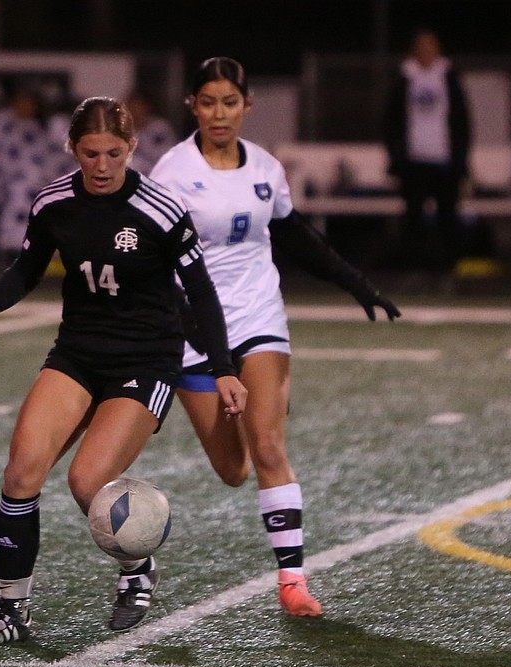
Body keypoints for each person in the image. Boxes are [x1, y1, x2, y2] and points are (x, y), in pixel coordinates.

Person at [0, 96, 248, 644]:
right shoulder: (54, 203)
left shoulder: (162, 210)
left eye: (115, 152)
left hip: (148, 359)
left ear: (132, 148)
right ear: (73, 150)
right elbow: (26, 270)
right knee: (20, 475)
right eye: (91, 153)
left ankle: (137, 566)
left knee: (87, 480)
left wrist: (224, 367)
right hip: (78, 354)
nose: (103, 165)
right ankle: (10, 610)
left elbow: (200, 293)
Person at [149, 57, 400, 618]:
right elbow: (154, 263)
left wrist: (356, 283)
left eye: (230, 102)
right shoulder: (170, 171)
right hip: (193, 329)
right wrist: (199, 341)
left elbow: (295, 236)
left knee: (267, 446)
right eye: (208, 102)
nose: (219, 113)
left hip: (259, 318)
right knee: (233, 470)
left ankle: (292, 581)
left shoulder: (264, 167)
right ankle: (248, 411)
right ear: (193, 105)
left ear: (247, 106)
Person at [382, 29, 471, 275]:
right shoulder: (404, 77)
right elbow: (391, 121)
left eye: (430, 47)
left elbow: (462, 122)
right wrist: (396, 157)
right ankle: (415, 270)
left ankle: (448, 270)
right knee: (413, 219)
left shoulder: (449, 76)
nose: (425, 53)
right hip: (413, 161)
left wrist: (462, 162)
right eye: (421, 48)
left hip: (445, 161)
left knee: (447, 217)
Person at [0, 84, 53, 272]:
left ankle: (33, 258)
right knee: (17, 199)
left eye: (30, 103)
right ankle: (6, 254)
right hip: (7, 182)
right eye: (21, 102)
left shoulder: (41, 127)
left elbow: (46, 158)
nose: (25, 107)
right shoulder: (2, 123)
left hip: (36, 184)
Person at [126, 89, 177, 174]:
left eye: (138, 106)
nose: (134, 110)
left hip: (155, 176)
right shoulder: (119, 128)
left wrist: (141, 142)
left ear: (146, 107)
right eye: (131, 106)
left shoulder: (159, 128)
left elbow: (167, 155)